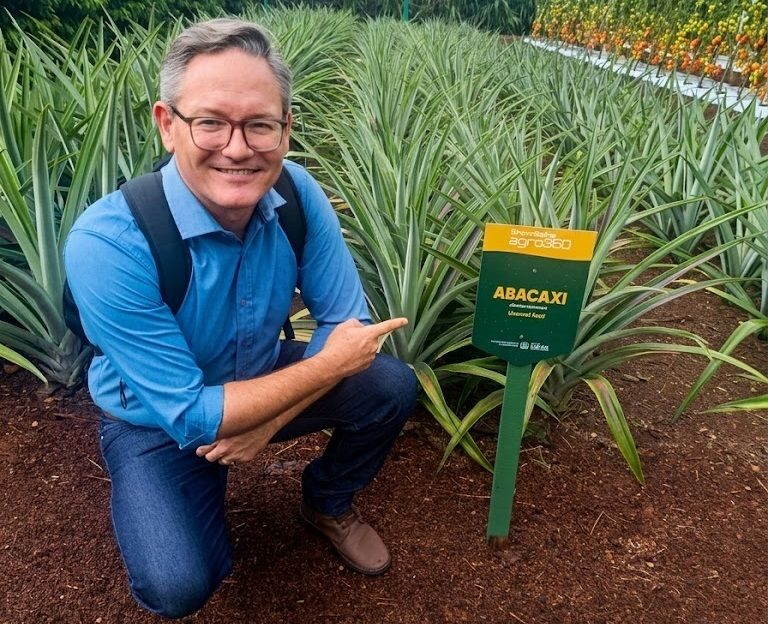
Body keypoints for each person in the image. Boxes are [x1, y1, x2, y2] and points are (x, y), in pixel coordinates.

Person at [63, 18, 418, 619]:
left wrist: (268, 418)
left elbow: (347, 326)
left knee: (389, 385)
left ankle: (327, 502)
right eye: (210, 122)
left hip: (256, 370)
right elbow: (190, 413)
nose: (237, 148)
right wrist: (317, 373)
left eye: (259, 124)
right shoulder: (111, 243)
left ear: (286, 129)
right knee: (176, 582)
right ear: (167, 124)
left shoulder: (297, 194)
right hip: (156, 418)